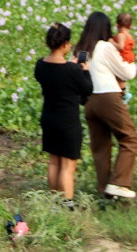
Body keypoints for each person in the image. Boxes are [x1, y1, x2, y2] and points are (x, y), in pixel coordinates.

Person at [75, 12, 137, 202]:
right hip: (107, 97)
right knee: (129, 138)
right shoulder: (104, 47)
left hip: (89, 102)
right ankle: (118, 183)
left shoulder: (81, 51)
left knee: (101, 147)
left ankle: (105, 192)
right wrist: (129, 57)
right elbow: (127, 73)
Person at [34, 23, 92, 207]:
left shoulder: (40, 65)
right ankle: (67, 204)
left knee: (54, 161)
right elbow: (87, 88)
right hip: (68, 121)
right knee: (68, 165)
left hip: (49, 118)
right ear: (66, 44)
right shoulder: (72, 70)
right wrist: (85, 70)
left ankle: (54, 201)